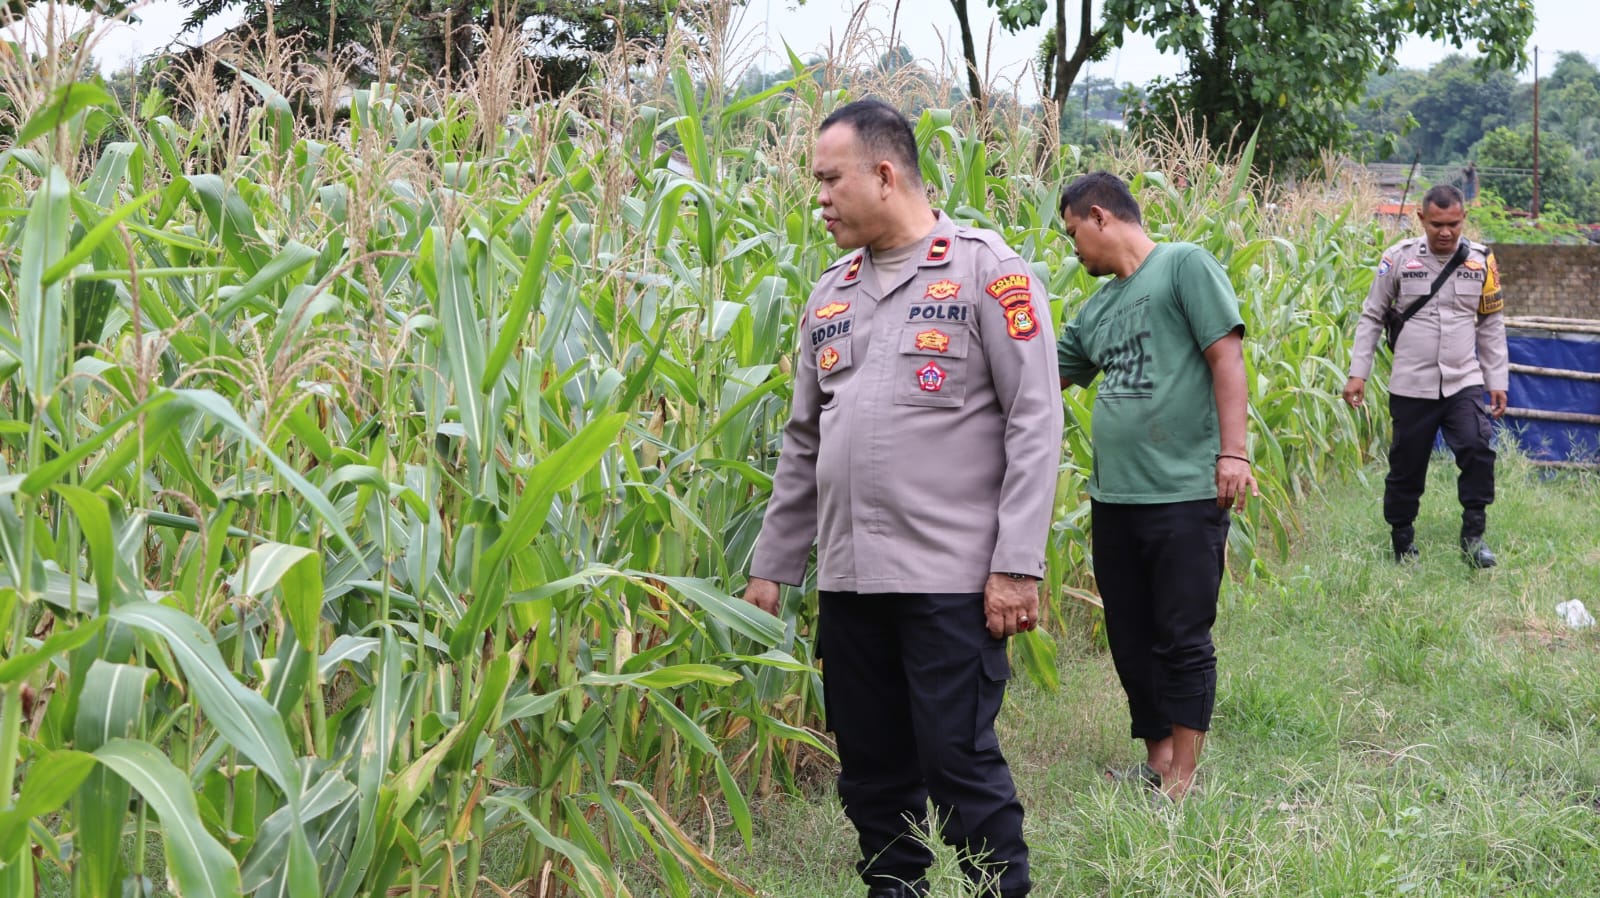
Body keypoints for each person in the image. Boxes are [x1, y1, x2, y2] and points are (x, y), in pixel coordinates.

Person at [742, 99, 1062, 898]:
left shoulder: (988, 273)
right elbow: (804, 442)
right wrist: (772, 566)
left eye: (829, 180)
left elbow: (1035, 422)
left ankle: (998, 888)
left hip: (949, 580)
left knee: (957, 760)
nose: (819, 198)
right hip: (852, 582)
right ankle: (895, 889)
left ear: (885, 175)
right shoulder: (832, 294)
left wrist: (1018, 565)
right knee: (871, 768)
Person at [1054, 171, 1255, 800]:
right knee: (1130, 636)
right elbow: (1040, 375)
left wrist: (1234, 452)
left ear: (1099, 215)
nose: (1074, 250)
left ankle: (1184, 776)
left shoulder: (1182, 266)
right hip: (1116, 498)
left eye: (1073, 233)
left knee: (1182, 635)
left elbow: (1226, 357)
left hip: (1184, 492)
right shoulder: (1097, 309)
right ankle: (1159, 758)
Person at [1342, 184, 1507, 568]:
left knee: (1477, 448)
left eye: (1453, 224)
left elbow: (1491, 322)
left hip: (1463, 380)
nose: (1445, 232)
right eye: (1436, 225)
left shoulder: (1481, 261)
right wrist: (1357, 373)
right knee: (1407, 464)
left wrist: (1497, 379)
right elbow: (1372, 316)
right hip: (1412, 384)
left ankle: (1473, 537)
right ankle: (1402, 541)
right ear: (1421, 219)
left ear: (1464, 219)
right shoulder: (1398, 259)